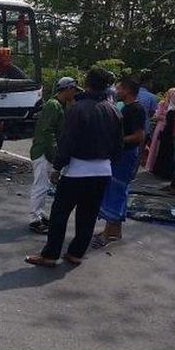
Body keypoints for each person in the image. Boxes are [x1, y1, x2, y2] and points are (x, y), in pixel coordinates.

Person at [26, 67, 123, 267]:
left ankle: (51, 254)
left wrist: (58, 167)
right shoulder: (114, 111)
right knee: (88, 215)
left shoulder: (77, 109)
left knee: (60, 213)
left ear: (88, 83)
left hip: (78, 170)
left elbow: (68, 142)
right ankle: (76, 253)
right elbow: (118, 145)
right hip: (103, 171)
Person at [93, 77, 146, 247]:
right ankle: (114, 230)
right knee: (115, 190)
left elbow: (139, 135)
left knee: (116, 191)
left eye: (119, 87)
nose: (116, 90)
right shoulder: (127, 107)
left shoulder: (136, 109)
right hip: (121, 154)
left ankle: (110, 231)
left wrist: (118, 141)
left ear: (127, 90)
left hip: (126, 155)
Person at [28, 77, 80, 234]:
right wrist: (55, 154)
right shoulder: (53, 105)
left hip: (47, 150)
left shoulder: (60, 105)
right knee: (41, 185)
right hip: (44, 151)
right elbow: (47, 132)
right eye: (74, 90)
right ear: (67, 89)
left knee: (44, 185)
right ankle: (34, 218)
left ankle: (40, 213)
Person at [146, 88, 175, 173]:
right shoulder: (162, 103)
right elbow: (156, 116)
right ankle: (152, 165)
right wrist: (166, 118)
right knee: (155, 145)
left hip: (169, 128)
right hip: (161, 126)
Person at [138, 69, 159, 138]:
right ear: (148, 82)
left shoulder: (132, 93)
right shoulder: (152, 97)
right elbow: (152, 114)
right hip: (144, 128)